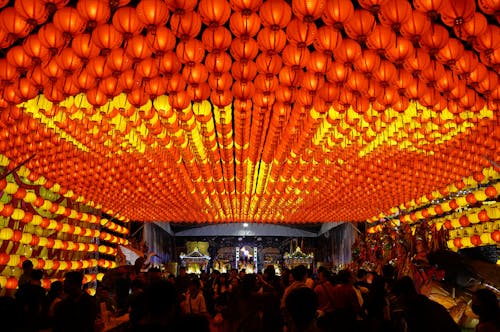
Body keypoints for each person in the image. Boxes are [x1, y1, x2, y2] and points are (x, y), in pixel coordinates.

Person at [391, 276, 460, 332]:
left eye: (397, 296)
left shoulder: (416, 311)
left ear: (404, 294)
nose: (397, 300)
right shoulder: (425, 304)